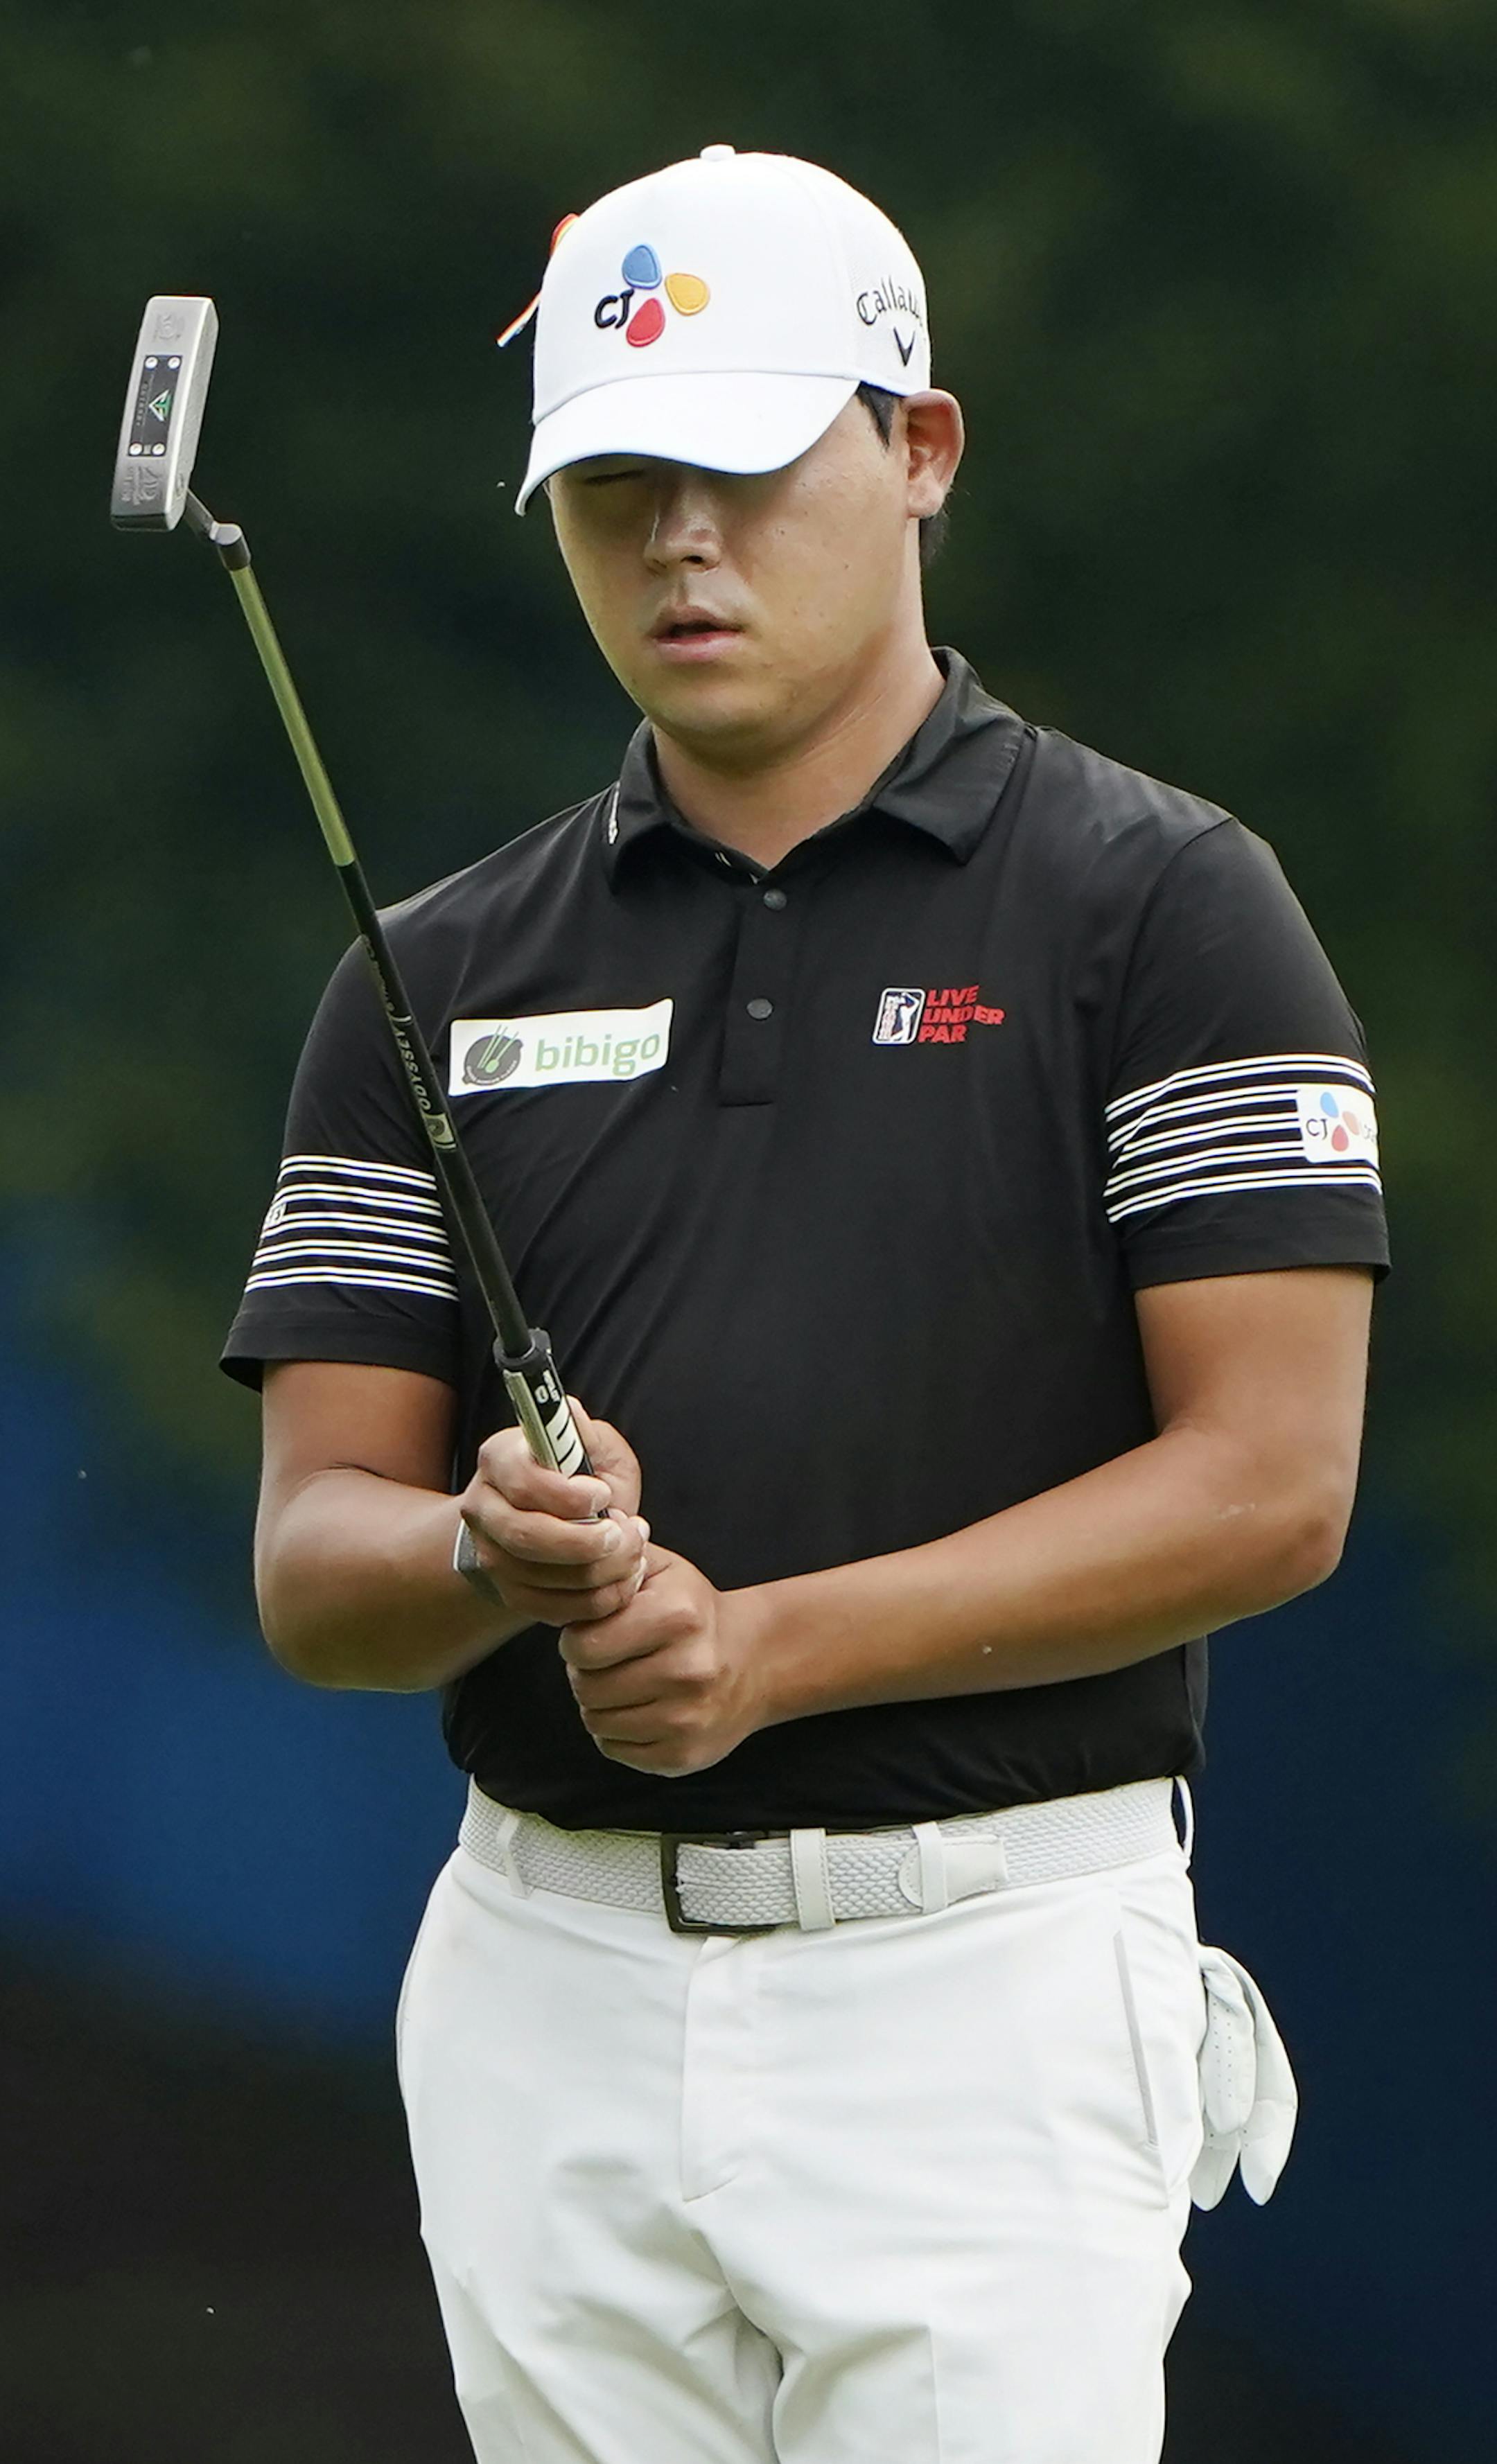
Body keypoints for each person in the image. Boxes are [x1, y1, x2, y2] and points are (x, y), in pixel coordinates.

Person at [222, 146, 1387, 2464]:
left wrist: (775, 1648)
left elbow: (1274, 1484)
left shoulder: (1165, 911)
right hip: (545, 1978)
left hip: (987, 1979)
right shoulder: (431, 975)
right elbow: (309, 1559)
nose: (680, 545)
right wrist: (483, 1551)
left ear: (920, 452)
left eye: (744, 471)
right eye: (617, 485)